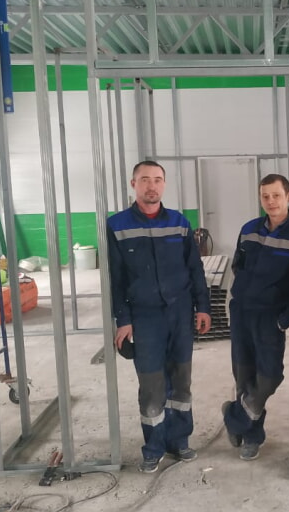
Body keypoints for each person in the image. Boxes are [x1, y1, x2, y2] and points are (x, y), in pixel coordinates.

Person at [107, 160, 212, 473]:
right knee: (152, 384)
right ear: (133, 184)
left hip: (180, 312)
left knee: (181, 381)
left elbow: (195, 268)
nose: (151, 186)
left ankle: (179, 441)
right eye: (144, 180)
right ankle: (153, 447)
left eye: (157, 179)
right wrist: (123, 319)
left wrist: (203, 307)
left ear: (164, 184)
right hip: (144, 317)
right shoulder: (117, 226)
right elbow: (115, 278)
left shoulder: (180, 223)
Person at [222, 174, 289, 461]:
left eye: (276, 195)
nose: (271, 201)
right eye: (265, 196)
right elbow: (238, 265)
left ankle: (235, 416)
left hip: (272, 317)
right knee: (244, 375)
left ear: (288, 196)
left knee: (270, 376)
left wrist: (286, 319)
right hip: (243, 313)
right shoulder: (249, 229)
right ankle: (251, 436)